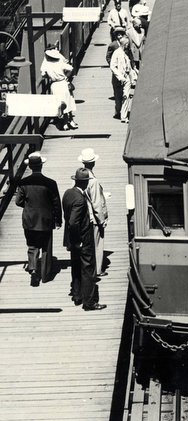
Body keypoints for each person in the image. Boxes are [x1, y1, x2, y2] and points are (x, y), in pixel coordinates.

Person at [62, 167, 106, 311]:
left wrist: (72, 240)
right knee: (88, 268)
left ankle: (77, 295)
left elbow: (68, 218)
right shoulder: (81, 199)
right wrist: (79, 240)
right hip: (83, 239)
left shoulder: (68, 193)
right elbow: (73, 221)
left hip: (72, 239)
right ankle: (89, 302)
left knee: (75, 266)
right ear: (85, 182)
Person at [15, 152, 62, 286]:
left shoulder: (23, 183)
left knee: (32, 246)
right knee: (46, 247)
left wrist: (30, 206)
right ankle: (45, 274)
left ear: (30, 167)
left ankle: (34, 270)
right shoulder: (51, 183)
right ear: (41, 166)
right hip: (46, 220)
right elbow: (56, 203)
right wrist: (58, 220)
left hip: (29, 220)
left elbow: (18, 202)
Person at [78, 148, 108, 276]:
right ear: (93, 163)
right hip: (94, 218)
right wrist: (101, 220)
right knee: (97, 244)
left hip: (85, 216)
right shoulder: (93, 181)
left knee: (88, 244)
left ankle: (89, 268)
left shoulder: (80, 177)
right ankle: (97, 270)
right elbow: (96, 203)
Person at [40, 47, 78, 131]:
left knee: (60, 103)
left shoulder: (46, 64)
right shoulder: (60, 62)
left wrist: (50, 76)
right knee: (69, 101)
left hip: (55, 84)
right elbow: (71, 68)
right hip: (63, 83)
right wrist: (67, 77)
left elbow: (43, 74)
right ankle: (71, 121)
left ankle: (64, 124)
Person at [110, 37, 136, 123]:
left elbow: (129, 67)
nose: (128, 45)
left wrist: (133, 78)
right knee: (118, 98)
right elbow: (112, 66)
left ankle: (124, 117)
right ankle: (118, 111)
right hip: (118, 79)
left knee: (126, 96)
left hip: (126, 78)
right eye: (127, 44)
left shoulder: (126, 53)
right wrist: (120, 77)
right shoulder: (116, 53)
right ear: (124, 44)